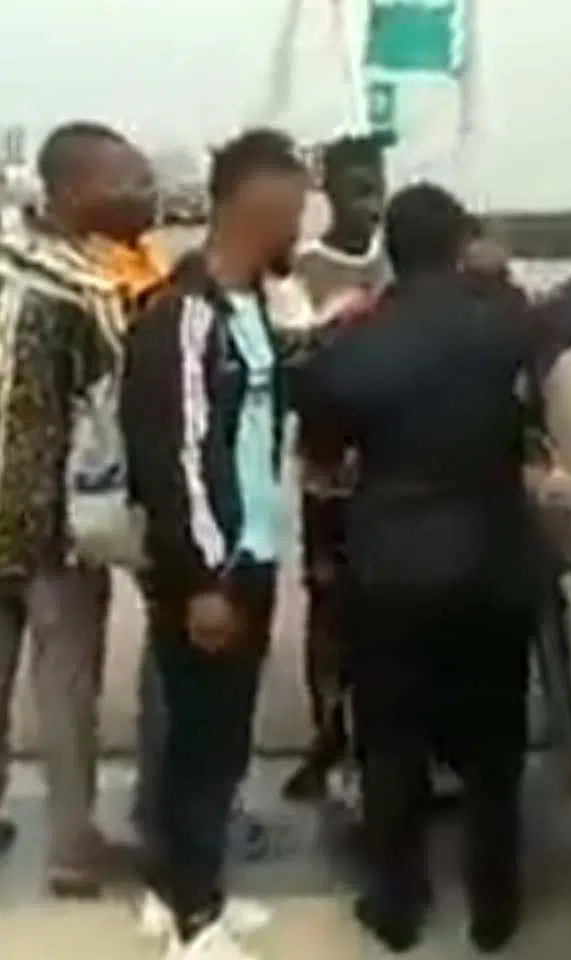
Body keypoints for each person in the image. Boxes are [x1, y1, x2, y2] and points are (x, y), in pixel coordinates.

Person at [296, 183, 543, 953]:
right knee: (496, 742)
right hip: (495, 552)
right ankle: (495, 907)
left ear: (388, 249)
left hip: (391, 562)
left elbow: (323, 459)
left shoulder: (354, 343)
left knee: (392, 742)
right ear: (461, 243)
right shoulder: (509, 322)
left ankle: (397, 904)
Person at [121, 127, 310, 960]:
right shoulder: (184, 315)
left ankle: (185, 889)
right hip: (212, 566)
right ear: (255, 207)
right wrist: (202, 577)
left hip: (254, 551)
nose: (299, 227)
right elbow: (179, 456)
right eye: (293, 211)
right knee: (197, 741)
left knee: (220, 737)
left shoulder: (253, 308)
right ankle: (192, 923)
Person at [0, 121, 131, 898]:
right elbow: (117, 403)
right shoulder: (87, 286)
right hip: (56, 525)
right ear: (75, 190)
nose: (139, 193)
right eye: (122, 180)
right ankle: (73, 850)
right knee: (65, 686)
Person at [281, 132, 391, 804]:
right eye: (356, 188)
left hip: (393, 471)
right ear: (329, 192)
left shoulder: (402, 262)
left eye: (376, 186)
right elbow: (291, 362)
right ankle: (326, 734)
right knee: (328, 608)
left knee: (387, 611)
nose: (369, 202)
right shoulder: (301, 269)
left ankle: (381, 742)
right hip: (328, 476)